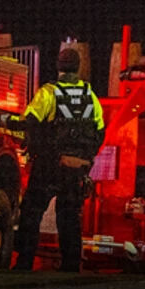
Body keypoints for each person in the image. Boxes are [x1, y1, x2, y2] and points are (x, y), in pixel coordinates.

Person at [12, 47, 105, 273]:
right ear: (78, 66)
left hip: (49, 165)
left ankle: (24, 263)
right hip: (76, 168)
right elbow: (100, 131)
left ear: (58, 66)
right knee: (70, 216)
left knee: (32, 213)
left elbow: (30, 121)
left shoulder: (48, 93)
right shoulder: (90, 95)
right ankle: (71, 266)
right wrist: (85, 158)